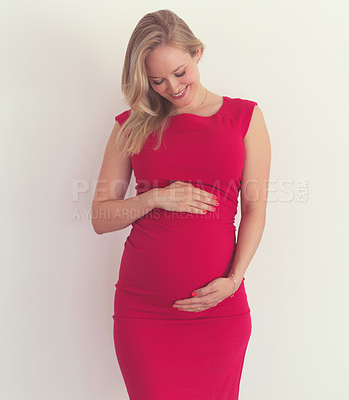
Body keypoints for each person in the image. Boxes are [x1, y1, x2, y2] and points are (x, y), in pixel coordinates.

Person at [92, 9, 271, 400]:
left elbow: (255, 209)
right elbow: (101, 217)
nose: (171, 87)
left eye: (180, 72)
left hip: (219, 308)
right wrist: (155, 196)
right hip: (145, 313)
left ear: (197, 53)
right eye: (157, 80)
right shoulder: (131, 125)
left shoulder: (243, 117)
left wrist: (233, 281)